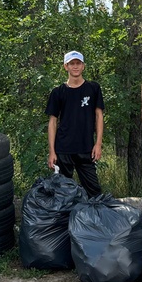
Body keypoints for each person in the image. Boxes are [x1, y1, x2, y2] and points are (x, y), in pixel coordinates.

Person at [46, 51, 104, 197]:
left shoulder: (93, 88)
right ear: (66, 66)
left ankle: (94, 219)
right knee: (63, 194)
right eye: (72, 64)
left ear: (83, 66)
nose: (75, 67)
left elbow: (99, 116)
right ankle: (66, 220)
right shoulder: (58, 92)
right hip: (63, 149)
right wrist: (52, 151)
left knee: (94, 191)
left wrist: (98, 144)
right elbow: (53, 122)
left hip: (86, 148)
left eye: (78, 63)